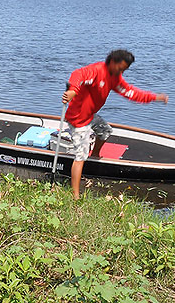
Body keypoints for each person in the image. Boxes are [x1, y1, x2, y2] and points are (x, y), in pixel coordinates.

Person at [60, 49, 168, 200]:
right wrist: (73, 91)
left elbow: (132, 93)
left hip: (90, 115)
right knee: (80, 156)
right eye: (120, 68)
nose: (121, 72)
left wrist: (155, 97)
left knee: (105, 132)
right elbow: (78, 74)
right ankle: (75, 196)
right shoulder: (97, 70)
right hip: (77, 119)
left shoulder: (115, 78)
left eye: (124, 70)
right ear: (112, 62)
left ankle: (95, 155)